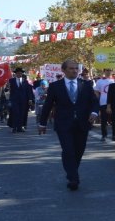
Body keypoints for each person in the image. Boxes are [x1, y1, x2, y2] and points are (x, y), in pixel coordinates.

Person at [38, 59, 100, 191]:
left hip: (82, 123)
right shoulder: (55, 86)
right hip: (63, 124)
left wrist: (94, 112)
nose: (75, 71)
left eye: (76, 68)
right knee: (68, 150)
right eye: (71, 68)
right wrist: (42, 123)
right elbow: (48, 105)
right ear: (64, 70)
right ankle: (73, 178)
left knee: (79, 150)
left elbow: (94, 101)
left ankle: (72, 171)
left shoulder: (86, 84)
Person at [7, 68, 34, 133]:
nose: (19, 74)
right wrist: (7, 87)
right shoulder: (11, 81)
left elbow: (28, 91)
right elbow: (6, 90)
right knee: (15, 113)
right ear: (15, 74)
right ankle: (14, 127)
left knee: (22, 114)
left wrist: (30, 99)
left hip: (23, 100)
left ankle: (20, 127)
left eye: (20, 73)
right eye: (18, 73)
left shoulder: (25, 81)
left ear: (22, 74)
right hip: (14, 100)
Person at [94, 68, 114, 141]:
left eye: (110, 70)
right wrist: (98, 99)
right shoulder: (100, 81)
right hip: (103, 102)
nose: (108, 71)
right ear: (104, 71)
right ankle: (104, 135)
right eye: (107, 70)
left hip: (113, 103)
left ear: (112, 71)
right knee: (104, 120)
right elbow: (96, 91)